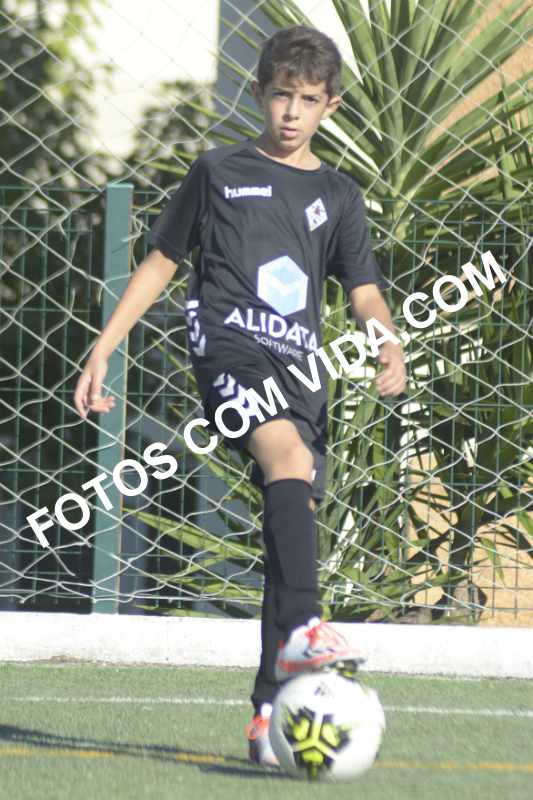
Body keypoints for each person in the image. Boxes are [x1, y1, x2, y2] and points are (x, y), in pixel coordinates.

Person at [74, 25, 406, 768]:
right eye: (281, 95)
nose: (292, 112)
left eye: (308, 100)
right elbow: (162, 261)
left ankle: (267, 714)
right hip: (227, 349)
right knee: (286, 458)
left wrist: (386, 339)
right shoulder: (219, 170)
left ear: (331, 106)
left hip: (302, 373)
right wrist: (105, 345)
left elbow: (361, 288)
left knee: (291, 532)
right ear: (258, 94)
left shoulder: (337, 194)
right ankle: (306, 629)